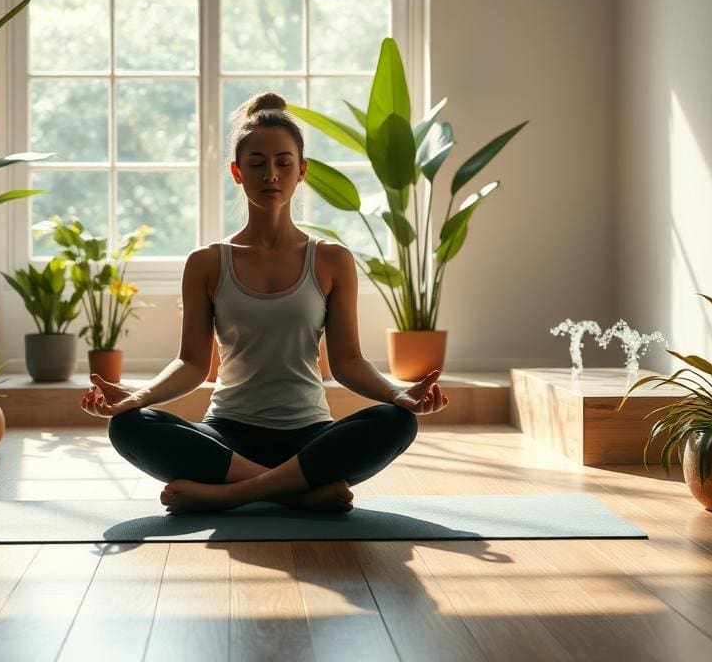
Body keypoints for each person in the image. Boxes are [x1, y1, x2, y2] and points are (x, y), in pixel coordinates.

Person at [81, 92, 448, 515]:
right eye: (256, 163)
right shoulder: (206, 263)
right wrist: (135, 397)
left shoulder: (331, 259)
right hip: (227, 438)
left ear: (301, 171)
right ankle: (298, 491)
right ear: (238, 173)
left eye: (283, 163)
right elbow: (193, 364)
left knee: (397, 422)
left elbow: (347, 361)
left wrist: (399, 396)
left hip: (310, 436)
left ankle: (230, 493)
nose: (270, 174)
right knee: (128, 426)